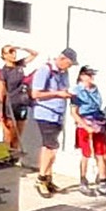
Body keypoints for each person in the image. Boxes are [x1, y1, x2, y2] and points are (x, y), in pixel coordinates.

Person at [25, 49, 73, 197]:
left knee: (51, 146)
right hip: (45, 113)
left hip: (57, 114)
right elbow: (36, 94)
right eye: (68, 64)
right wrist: (57, 94)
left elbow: (64, 88)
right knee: (50, 147)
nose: (68, 68)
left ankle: (48, 179)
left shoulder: (63, 73)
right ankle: (41, 178)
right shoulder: (45, 70)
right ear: (62, 58)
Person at [70, 66, 106, 195]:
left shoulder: (95, 89)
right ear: (82, 76)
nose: (91, 78)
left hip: (97, 121)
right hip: (84, 123)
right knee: (86, 153)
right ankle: (83, 179)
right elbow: (74, 113)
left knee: (102, 152)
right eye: (88, 75)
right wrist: (85, 125)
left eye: (92, 75)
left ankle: (103, 180)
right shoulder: (76, 91)